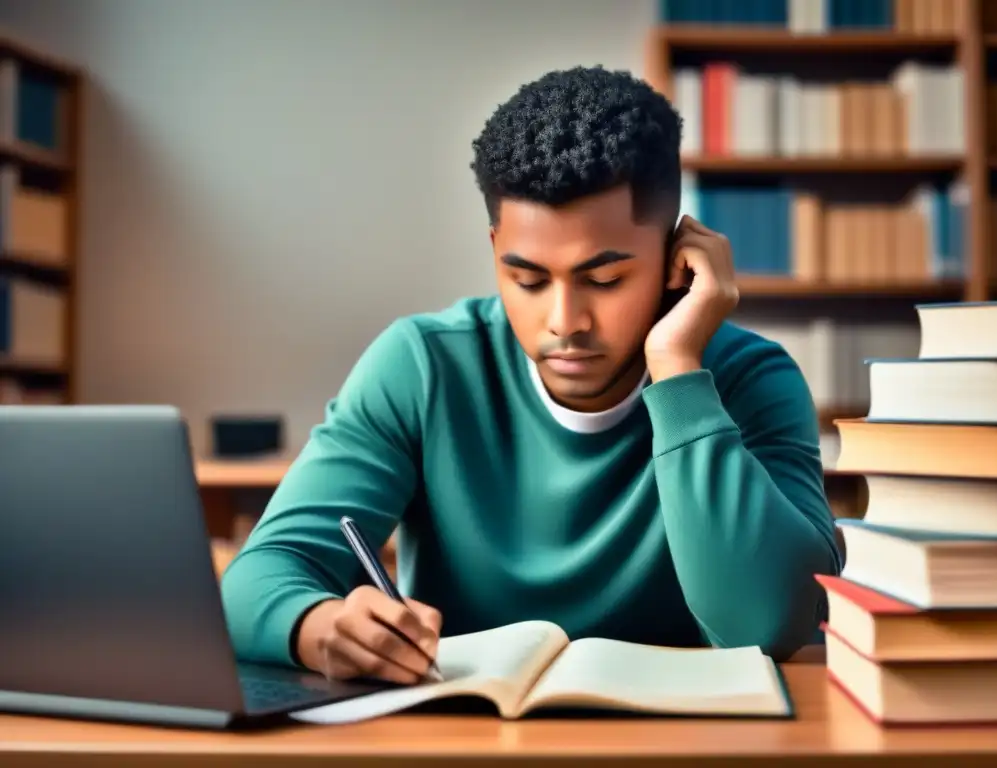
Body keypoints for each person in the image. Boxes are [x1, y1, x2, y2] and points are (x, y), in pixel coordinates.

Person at [220, 65, 842, 685]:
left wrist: (678, 372)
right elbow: (258, 577)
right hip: (466, 743)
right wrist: (320, 627)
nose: (564, 321)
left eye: (604, 280)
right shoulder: (422, 366)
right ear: (495, 249)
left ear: (675, 259)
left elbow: (772, 627)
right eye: (528, 279)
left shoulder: (752, 379)